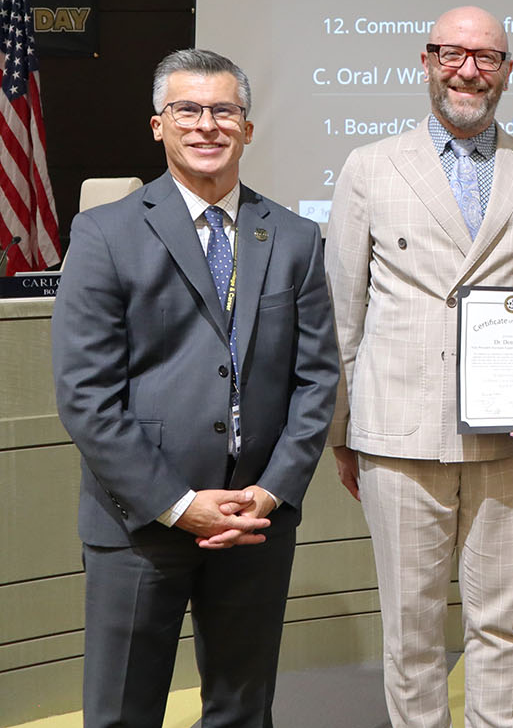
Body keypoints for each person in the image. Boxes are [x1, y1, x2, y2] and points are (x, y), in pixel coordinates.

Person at [51, 48, 340, 726]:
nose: (206, 125)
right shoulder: (104, 234)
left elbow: (316, 379)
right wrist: (179, 505)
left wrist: (267, 493)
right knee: (123, 711)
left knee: (243, 711)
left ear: (246, 127)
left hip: (253, 519)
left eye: (223, 111)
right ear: (159, 125)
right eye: (188, 109)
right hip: (138, 522)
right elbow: (86, 396)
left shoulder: (295, 238)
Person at [324, 6, 513, 728]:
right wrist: (343, 432)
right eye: (453, 53)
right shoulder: (370, 167)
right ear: (426, 59)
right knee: (411, 634)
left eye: (486, 57)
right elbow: (343, 310)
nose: (468, 69)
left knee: (501, 626)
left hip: (510, 437)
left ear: (507, 71)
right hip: (400, 435)